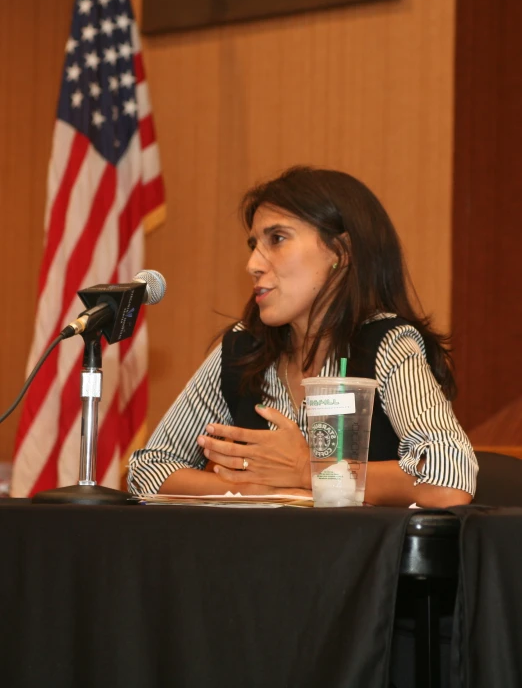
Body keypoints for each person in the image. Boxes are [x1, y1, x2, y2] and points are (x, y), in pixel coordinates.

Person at [128, 166, 478, 506]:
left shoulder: (385, 344)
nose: (253, 264)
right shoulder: (243, 347)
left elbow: (449, 478)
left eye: (277, 239)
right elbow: (147, 470)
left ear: (341, 252)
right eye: (254, 244)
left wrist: (308, 470)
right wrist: (256, 491)